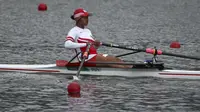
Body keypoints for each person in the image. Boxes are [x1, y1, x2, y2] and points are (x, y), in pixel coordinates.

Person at [64, 8, 131, 68]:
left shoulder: (88, 31)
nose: (87, 20)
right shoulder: (73, 31)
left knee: (114, 59)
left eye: (87, 17)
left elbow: (92, 47)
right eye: (85, 17)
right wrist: (86, 44)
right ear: (78, 18)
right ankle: (129, 71)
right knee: (109, 59)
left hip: (92, 56)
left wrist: (96, 45)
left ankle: (131, 68)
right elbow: (67, 44)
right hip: (83, 58)